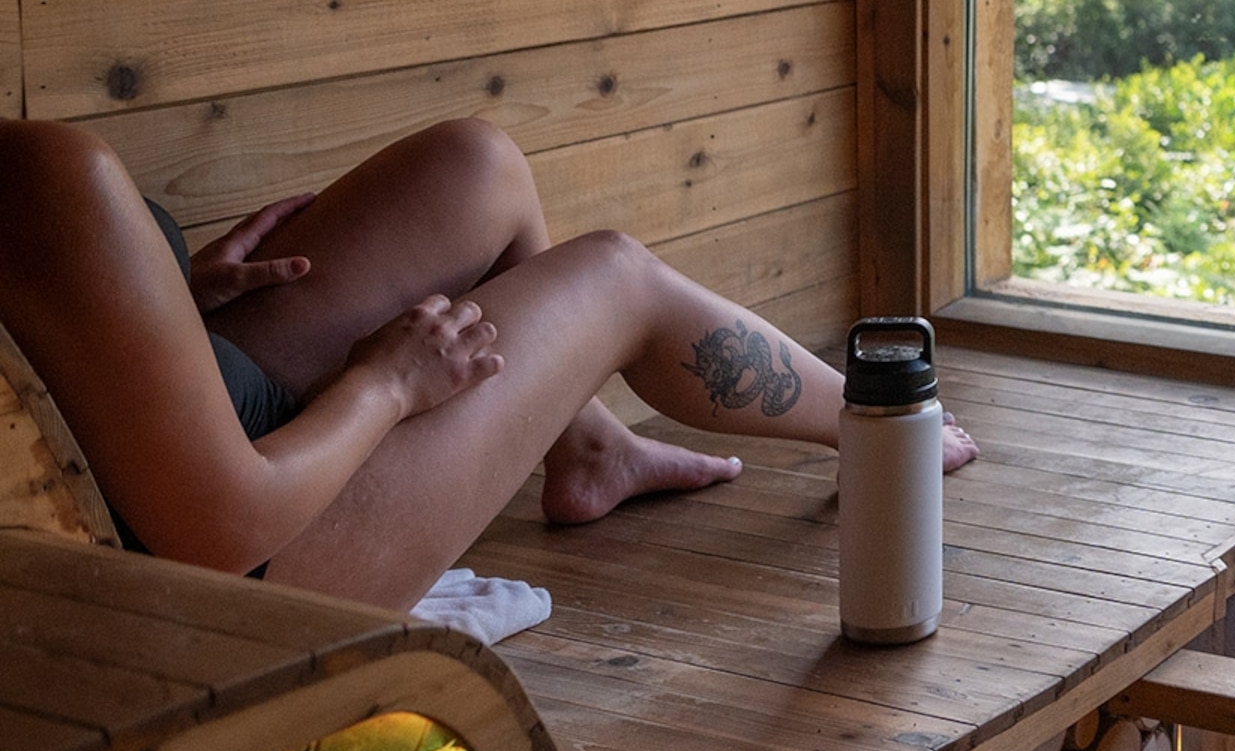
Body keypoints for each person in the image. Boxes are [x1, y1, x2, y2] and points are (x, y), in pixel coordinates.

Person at [0, 113, 975, 613]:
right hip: (242, 562)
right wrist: (387, 383)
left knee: (478, 166)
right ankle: (884, 419)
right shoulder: (48, 178)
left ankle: (584, 444)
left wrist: (161, 296)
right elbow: (220, 527)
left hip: (188, 425)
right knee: (615, 277)